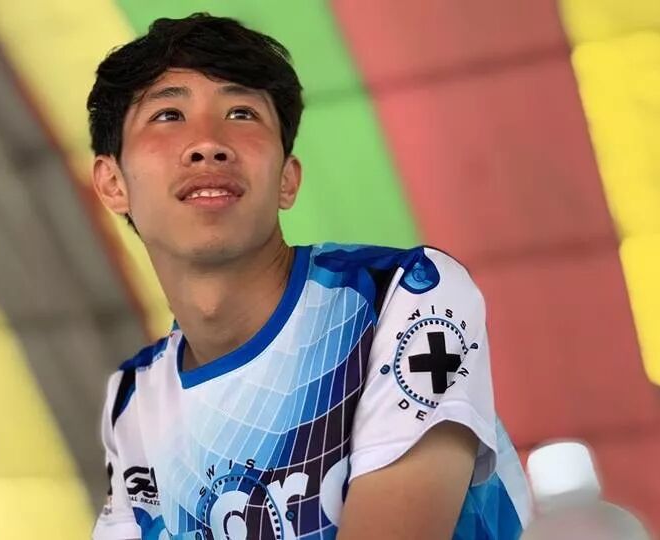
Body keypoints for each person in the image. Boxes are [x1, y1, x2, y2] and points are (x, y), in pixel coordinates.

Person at [87, 13, 532, 540]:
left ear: (287, 180)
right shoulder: (134, 400)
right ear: (112, 183)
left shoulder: (401, 295)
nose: (208, 143)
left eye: (241, 113)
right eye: (168, 115)